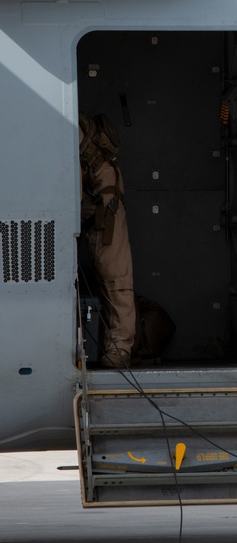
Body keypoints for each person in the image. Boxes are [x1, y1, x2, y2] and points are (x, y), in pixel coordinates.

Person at [79, 113, 136, 368]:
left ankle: (121, 347)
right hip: (97, 205)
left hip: (106, 206)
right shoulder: (74, 131)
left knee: (117, 280)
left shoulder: (75, 134)